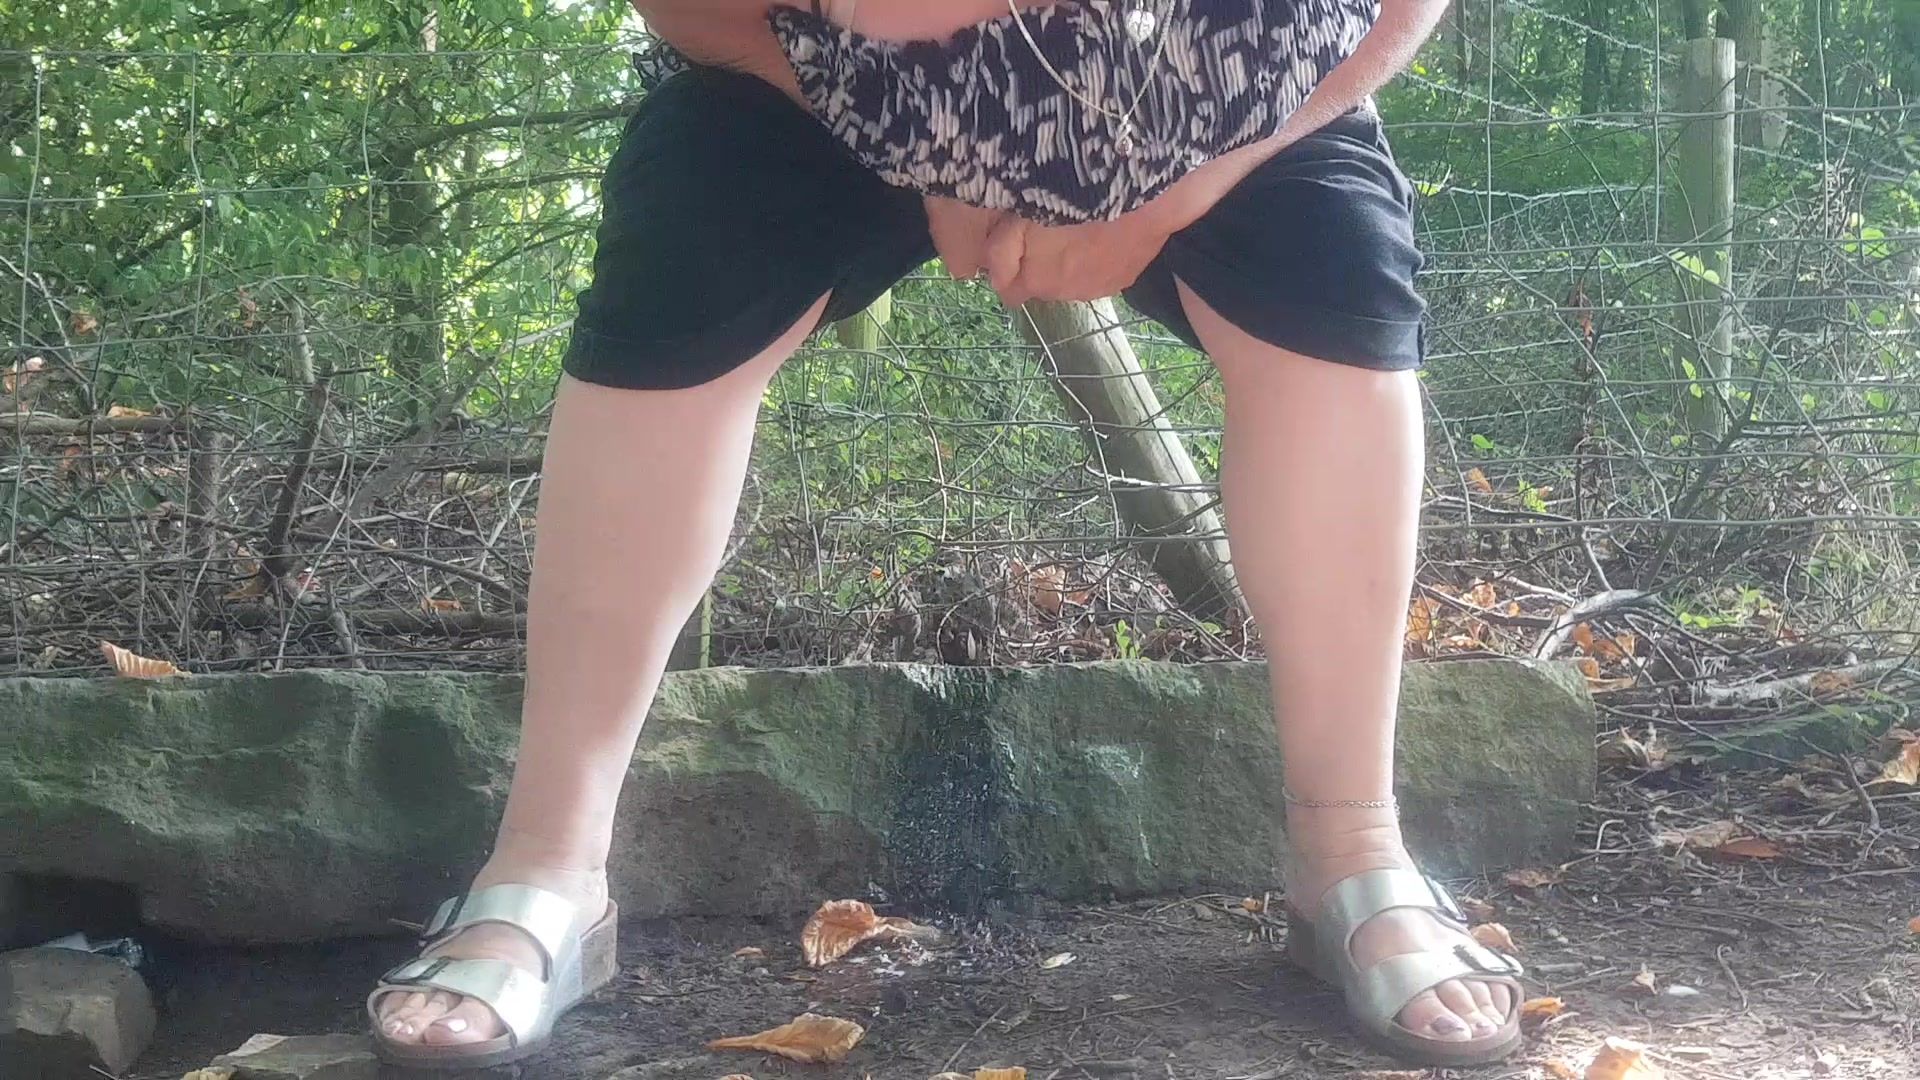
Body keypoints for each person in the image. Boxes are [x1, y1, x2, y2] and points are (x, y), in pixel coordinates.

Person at [365, 0, 1524, 1070]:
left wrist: (1173, 193)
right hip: (825, 90)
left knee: (1338, 278)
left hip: (1223, 99)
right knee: (688, 242)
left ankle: (1352, 848)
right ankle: (548, 864)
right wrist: (923, 145)